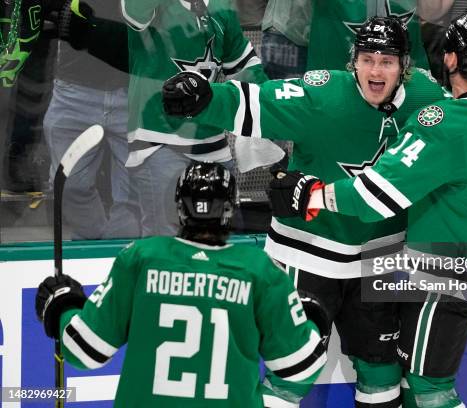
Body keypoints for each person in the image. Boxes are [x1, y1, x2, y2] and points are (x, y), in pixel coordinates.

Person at [267, 13, 467, 408]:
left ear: (449, 60)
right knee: (408, 378)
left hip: (450, 264)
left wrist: (312, 194)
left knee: (430, 389)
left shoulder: (443, 125)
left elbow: (374, 197)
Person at [162, 16, 447, 407]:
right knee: (291, 374)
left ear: (404, 68)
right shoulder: (324, 94)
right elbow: (257, 101)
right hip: (307, 254)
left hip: (379, 259)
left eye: (386, 61)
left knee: (381, 373)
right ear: (354, 63)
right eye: (367, 59)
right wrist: (205, 97)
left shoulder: (427, 100)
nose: (375, 70)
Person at [35, 161, 327, 407]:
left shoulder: (141, 258)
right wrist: (310, 324)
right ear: (230, 208)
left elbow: (85, 351)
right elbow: (299, 366)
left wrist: (62, 307)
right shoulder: (260, 271)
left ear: (179, 206)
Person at [121, 0, 268, 236]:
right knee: (165, 241)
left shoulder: (222, 7)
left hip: (212, 143)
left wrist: (267, 105)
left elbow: (245, 65)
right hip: (159, 141)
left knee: (221, 238)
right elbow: (134, 12)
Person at [43, 0, 140, 239]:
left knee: (135, 191)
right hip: (75, 89)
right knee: (67, 184)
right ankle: (94, 245)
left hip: (135, 89)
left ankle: (119, 254)